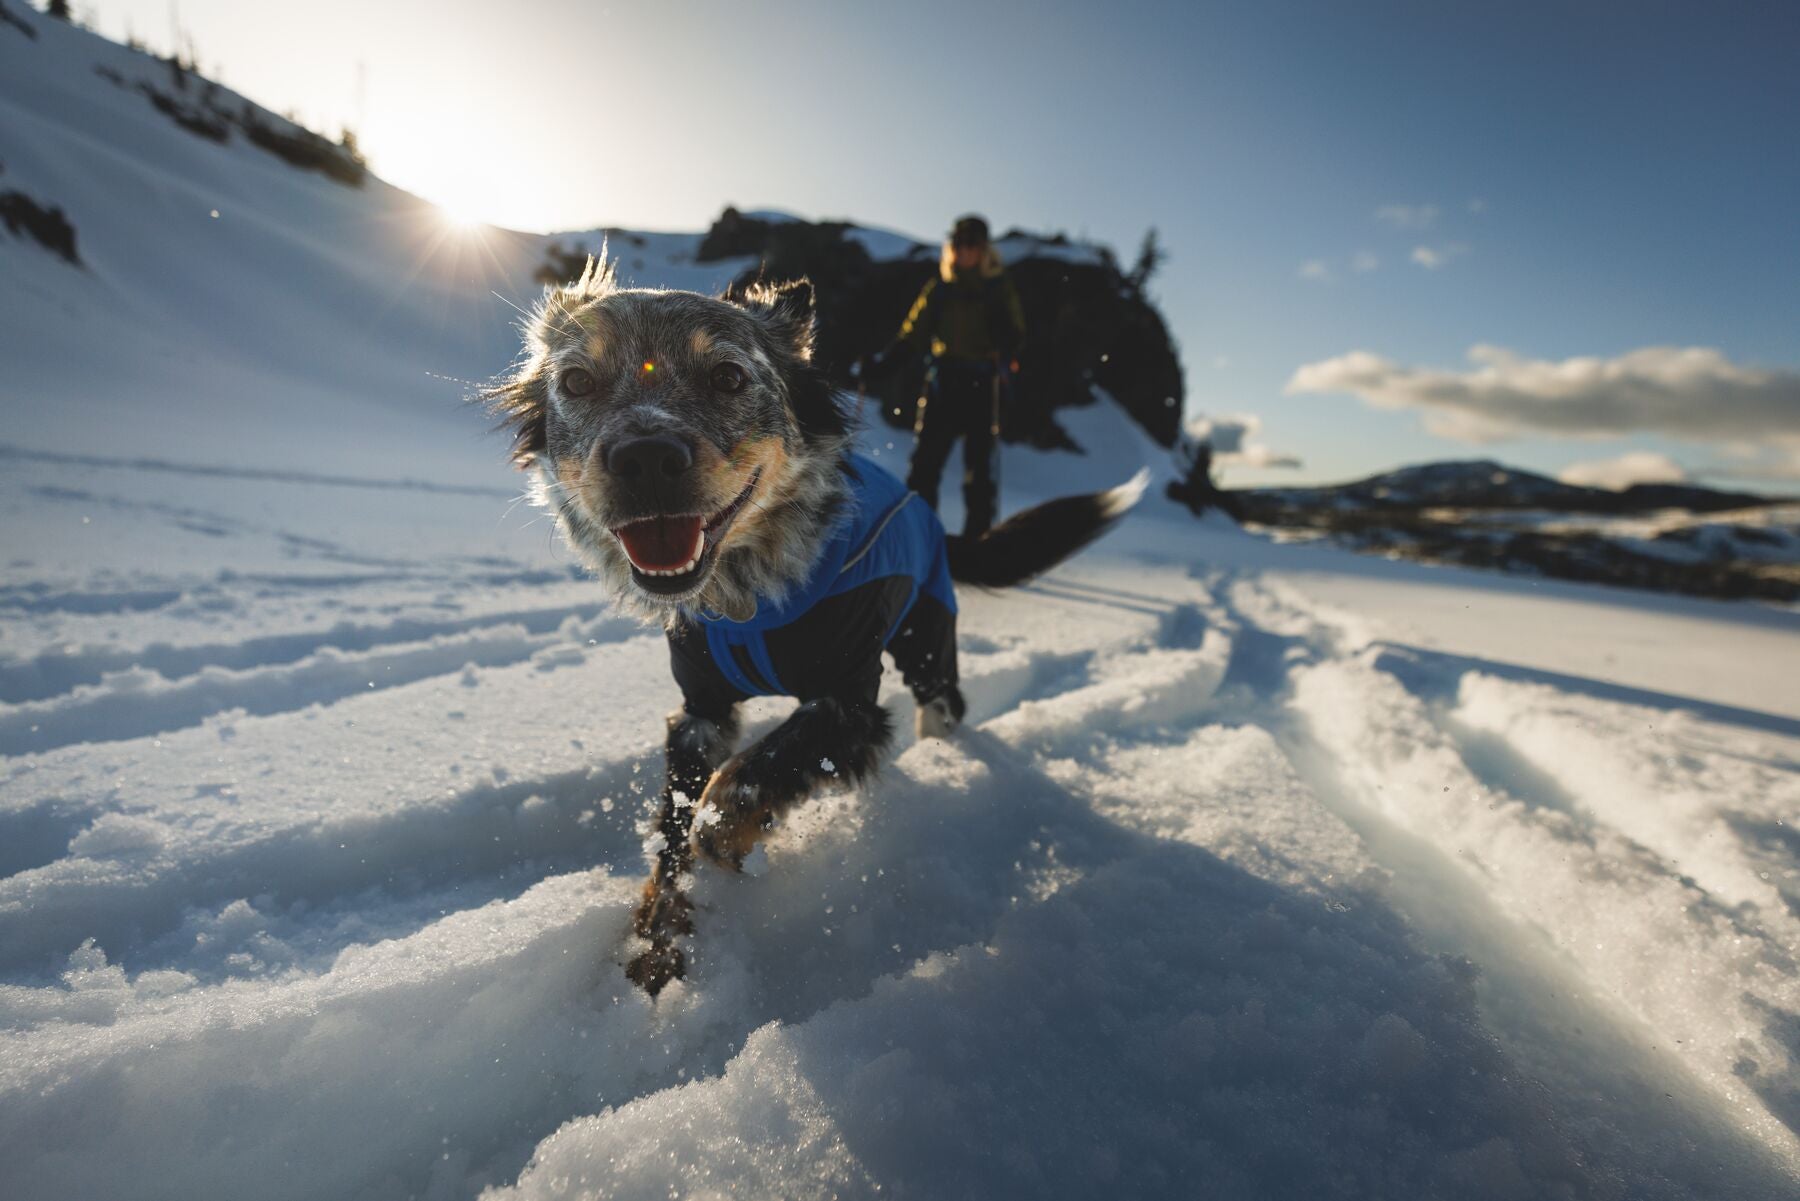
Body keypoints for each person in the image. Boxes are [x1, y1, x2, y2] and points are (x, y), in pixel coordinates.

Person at [864, 215, 1025, 537]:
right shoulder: (940, 289)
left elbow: (1016, 333)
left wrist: (1005, 343)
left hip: (982, 382)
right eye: (959, 244)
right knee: (925, 466)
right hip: (945, 380)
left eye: (972, 244)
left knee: (980, 471)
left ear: (983, 249)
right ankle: (921, 537)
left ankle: (977, 542)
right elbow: (914, 333)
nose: (965, 250)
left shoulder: (997, 288)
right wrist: (884, 364)